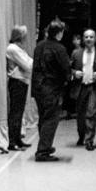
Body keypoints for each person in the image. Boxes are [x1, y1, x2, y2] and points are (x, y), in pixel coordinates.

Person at [30, 19, 70, 162]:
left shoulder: (39, 46)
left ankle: (44, 145)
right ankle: (43, 151)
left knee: (43, 117)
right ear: (58, 33)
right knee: (51, 119)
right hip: (52, 88)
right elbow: (65, 68)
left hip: (38, 88)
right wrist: (69, 76)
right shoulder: (59, 48)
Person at [70, 28, 96, 150]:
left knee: (91, 114)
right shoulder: (76, 53)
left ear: (95, 39)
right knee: (80, 115)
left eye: (91, 37)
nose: (88, 39)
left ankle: (89, 141)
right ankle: (81, 136)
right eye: (86, 37)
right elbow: (68, 69)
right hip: (80, 87)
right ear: (83, 39)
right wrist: (75, 72)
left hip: (94, 87)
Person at [5, 25, 33, 150]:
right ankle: (12, 142)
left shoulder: (19, 49)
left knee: (19, 112)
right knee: (15, 113)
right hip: (17, 82)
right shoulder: (13, 49)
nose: (25, 38)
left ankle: (17, 139)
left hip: (22, 81)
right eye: (24, 35)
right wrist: (32, 62)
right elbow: (28, 65)